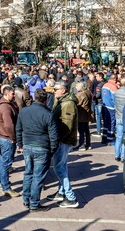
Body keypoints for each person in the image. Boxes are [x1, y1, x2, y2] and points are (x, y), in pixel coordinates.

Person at [16, 89, 58, 212]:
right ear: (46, 100)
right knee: (38, 177)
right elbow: (53, 135)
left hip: (28, 145)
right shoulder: (48, 114)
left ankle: (26, 199)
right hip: (42, 147)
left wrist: (20, 144)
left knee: (28, 173)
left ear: (35, 98)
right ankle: (34, 203)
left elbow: (18, 129)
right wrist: (52, 149)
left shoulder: (24, 111)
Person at [48, 80, 79, 208]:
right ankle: (61, 192)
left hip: (63, 140)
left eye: (56, 89)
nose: (53, 91)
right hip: (62, 140)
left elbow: (66, 126)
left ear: (63, 90)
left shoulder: (68, 104)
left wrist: (56, 140)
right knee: (62, 166)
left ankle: (71, 197)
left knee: (59, 168)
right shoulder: (61, 101)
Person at [0, 86, 20, 198]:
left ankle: (2, 182)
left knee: (2, 162)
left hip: (2, 137)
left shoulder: (3, 104)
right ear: (6, 94)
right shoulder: (6, 108)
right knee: (5, 163)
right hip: (7, 138)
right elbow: (9, 125)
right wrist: (14, 138)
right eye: (12, 94)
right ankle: (6, 187)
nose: (14, 95)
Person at [114, 77, 125, 162]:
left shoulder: (116, 93)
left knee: (119, 137)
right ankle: (123, 156)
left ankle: (117, 155)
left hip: (118, 116)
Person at [74, 82, 92, 151]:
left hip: (81, 114)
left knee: (81, 130)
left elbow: (77, 104)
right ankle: (88, 144)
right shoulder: (88, 93)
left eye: (77, 86)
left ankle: (81, 145)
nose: (76, 88)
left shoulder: (80, 94)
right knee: (86, 130)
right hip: (87, 114)